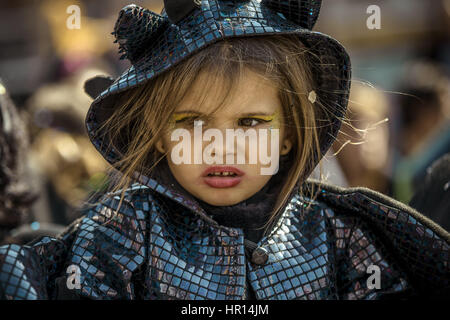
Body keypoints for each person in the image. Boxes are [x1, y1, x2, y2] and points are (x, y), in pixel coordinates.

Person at [0, 0, 449, 300]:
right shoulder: (120, 232)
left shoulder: (341, 234)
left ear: (290, 134)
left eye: (250, 123)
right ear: (158, 135)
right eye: (192, 123)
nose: (222, 148)